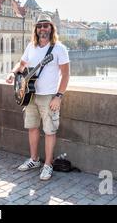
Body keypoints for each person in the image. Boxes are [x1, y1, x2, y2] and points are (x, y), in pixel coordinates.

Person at [6, 14, 70, 181]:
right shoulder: (31, 46)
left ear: (51, 28)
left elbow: (66, 75)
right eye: (39, 25)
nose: (42, 28)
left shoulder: (59, 49)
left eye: (46, 25)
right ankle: (34, 160)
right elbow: (21, 65)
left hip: (48, 96)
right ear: (36, 29)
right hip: (29, 95)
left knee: (49, 131)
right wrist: (13, 74)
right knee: (32, 127)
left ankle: (48, 165)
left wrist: (59, 96)